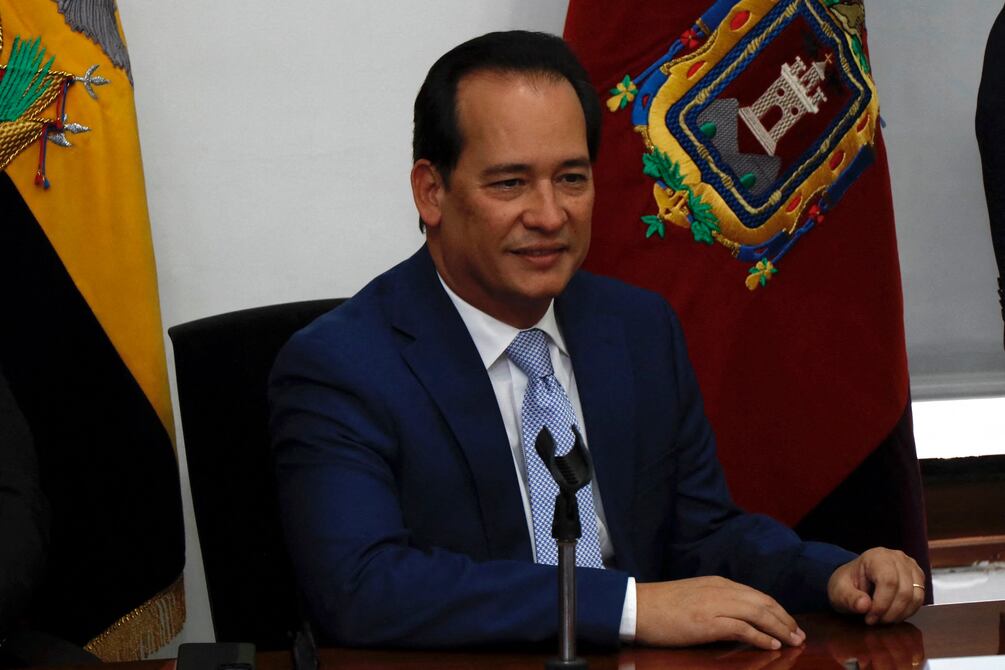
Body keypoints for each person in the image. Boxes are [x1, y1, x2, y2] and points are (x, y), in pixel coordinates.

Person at [269, 30, 925, 650]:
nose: (549, 215)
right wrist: (626, 609)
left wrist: (828, 574)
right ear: (431, 192)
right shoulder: (343, 366)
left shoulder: (637, 329)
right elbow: (361, 588)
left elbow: (700, 536)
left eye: (571, 178)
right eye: (510, 183)